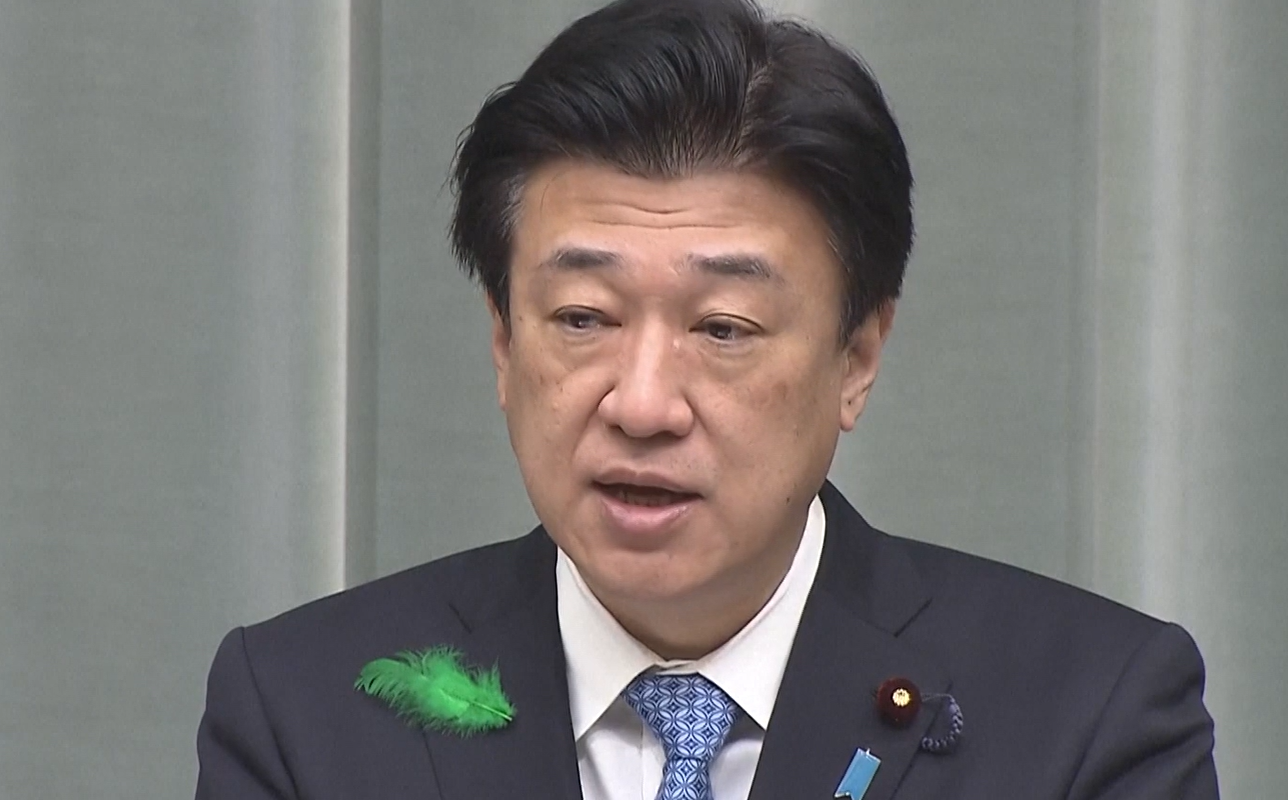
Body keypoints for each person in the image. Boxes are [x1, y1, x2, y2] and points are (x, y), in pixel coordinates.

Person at [194, 0, 1219, 797]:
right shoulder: (304, 713)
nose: (642, 405)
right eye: (583, 317)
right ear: (504, 342)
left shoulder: (1088, 717)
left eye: (722, 328)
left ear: (857, 357)